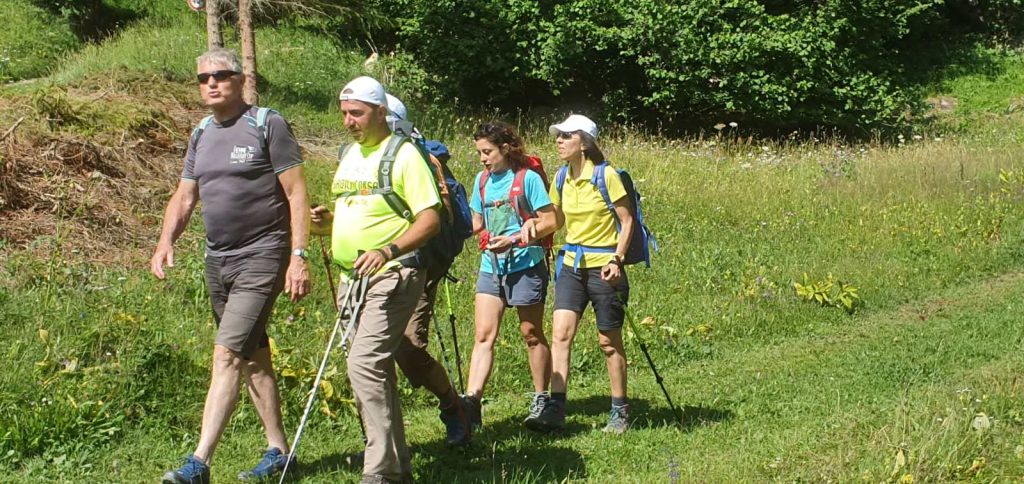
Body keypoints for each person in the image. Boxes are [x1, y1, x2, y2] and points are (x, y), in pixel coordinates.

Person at [151, 48, 311, 484]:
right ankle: (279, 449)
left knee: (226, 353)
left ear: (240, 80)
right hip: (217, 259)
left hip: (263, 254)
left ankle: (199, 462)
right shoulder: (201, 133)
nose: (212, 83)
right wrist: (166, 241)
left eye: (221, 75)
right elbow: (185, 196)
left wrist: (298, 257)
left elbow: (297, 193)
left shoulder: (266, 124)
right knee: (253, 355)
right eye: (204, 77)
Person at [310, 76, 441, 484]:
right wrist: (326, 223)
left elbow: (430, 219)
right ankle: (397, 468)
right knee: (375, 370)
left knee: (363, 364)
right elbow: (359, 211)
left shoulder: (404, 155)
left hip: (393, 274)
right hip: (353, 277)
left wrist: (387, 251)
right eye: (344, 113)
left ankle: (378, 471)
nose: (349, 121)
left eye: (357, 113)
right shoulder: (349, 154)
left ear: (381, 112)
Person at [533, 114, 634, 434]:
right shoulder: (562, 177)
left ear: (584, 143)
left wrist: (617, 260)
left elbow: (627, 220)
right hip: (571, 266)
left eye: (566, 136)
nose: (559, 141)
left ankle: (620, 410)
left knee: (608, 341)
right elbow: (555, 221)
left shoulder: (606, 176)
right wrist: (523, 232)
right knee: (561, 334)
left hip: (605, 268)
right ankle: (556, 409)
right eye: (558, 136)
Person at [461, 122, 561, 432]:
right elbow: (476, 222)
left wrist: (517, 238)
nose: (482, 159)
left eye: (487, 152)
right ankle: (471, 404)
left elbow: (551, 220)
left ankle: (541, 398)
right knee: (483, 336)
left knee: (531, 333)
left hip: (525, 265)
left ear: (505, 149)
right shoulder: (481, 181)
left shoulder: (527, 179)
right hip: (491, 267)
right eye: (479, 152)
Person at [386, 93, 472, 445]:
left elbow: (434, 218)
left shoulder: (415, 155)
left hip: (415, 263)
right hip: (367, 266)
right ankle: (385, 440)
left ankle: (453, 407)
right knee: (369, 352)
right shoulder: (361, 157)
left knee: (407, 348)